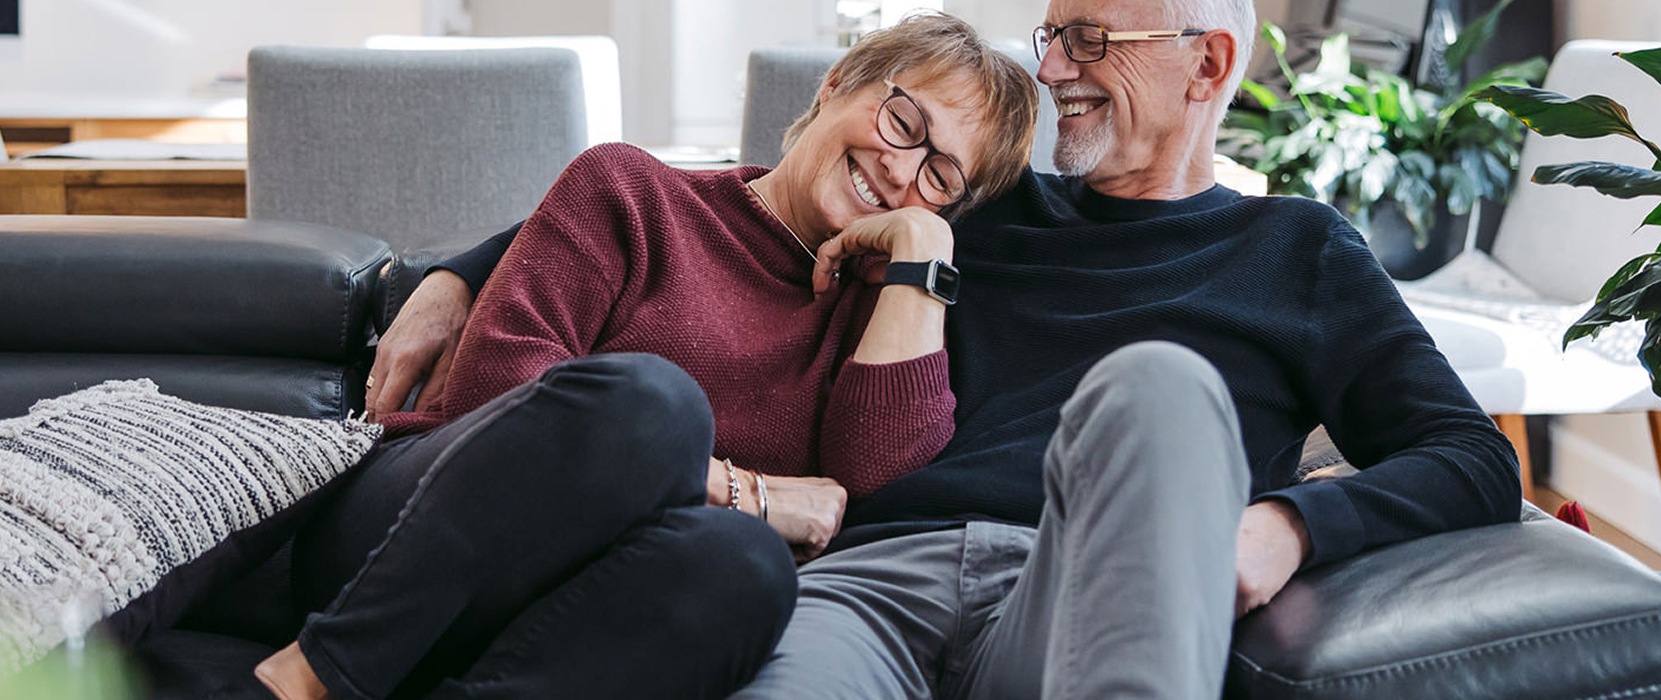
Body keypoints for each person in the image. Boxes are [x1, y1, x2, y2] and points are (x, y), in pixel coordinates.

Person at [374, 0, 1523, 696]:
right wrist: (453, 269)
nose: (1056, 67)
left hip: (1076, 585)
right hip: (861, 581)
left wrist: (1291, 523)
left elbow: (1473, 456)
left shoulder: (1299, 251)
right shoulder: (979, 200)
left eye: (1088, 39)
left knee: (1161, 386)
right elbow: (719, 204)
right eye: (1051, 35)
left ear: (1208, 64)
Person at [253, 12, 1040, 700]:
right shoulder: (631, 190)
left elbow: (867, 497)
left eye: (941, 177)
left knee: (745, 572)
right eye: (903, 121)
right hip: (419, 530)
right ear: (838, 85)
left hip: (589, 604)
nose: (902, 169)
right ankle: (314, 675)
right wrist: (750, 493)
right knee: (649, 403)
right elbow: (498, 396)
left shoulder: (882, 319)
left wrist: (920, 252)